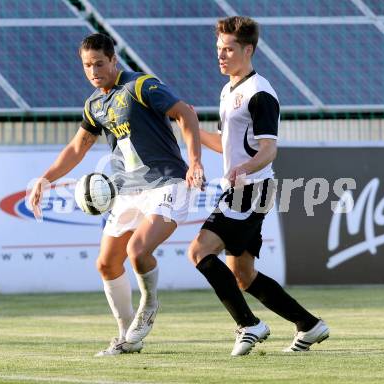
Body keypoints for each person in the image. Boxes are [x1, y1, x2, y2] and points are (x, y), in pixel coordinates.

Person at [29, 33, 204, 356]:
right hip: (128, 192)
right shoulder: (94, 104)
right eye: (87, 65)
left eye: (99, 63)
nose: (93, 70)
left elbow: (186, 114)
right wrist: (46, 178)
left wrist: (194, 162)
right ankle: (125, 336)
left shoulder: (141, 85)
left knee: (138, 251)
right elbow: (78, 147)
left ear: (113, 60)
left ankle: (149, 305)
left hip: (167, 184)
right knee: (107, 264)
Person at [188, 16, 329, 356]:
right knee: (243, 274)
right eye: (219, 49)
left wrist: (244, 168)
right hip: (244, 186)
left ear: (247, 49)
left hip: (251, 189)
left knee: (199, 251)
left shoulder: (259, 93)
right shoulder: (229, 90)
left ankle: (249, 325)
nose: (220, 56)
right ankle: (309, 325)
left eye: (228, 49)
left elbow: (269, 149)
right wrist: (188, 125)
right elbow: (226, 143)